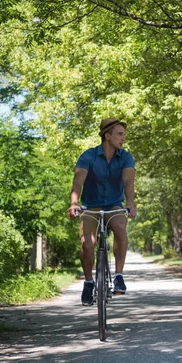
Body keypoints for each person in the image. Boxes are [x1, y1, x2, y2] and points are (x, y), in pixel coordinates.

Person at [67, 117, 137, 306]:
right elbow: (78, 183)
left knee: (121, 227)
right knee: (87, 244)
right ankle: (89, 282)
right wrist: (74, 204)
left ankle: (119, 276)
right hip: (91, 206)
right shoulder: (88, 156)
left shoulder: (125, 157)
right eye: (119, 134)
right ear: (107, 136)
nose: (123, 138)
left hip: (114, 204)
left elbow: (128, 182)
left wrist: (130, 203)